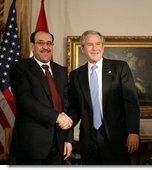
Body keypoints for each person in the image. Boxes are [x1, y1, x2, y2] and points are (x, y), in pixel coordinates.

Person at [68, 30, 140, 165]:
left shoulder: (120, 68)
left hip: (117, 139)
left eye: (98, 44)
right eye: (90, 44)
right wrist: (64, 122)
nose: (94, 48)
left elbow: (131, 103)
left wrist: (133, 132)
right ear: (82, 49)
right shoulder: (76, 75)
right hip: (89, 140)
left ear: (103, 47)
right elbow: (75, 108)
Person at [10, 30, 73, 165]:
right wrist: (56, 117)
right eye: (41, 43)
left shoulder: (61, 71)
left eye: (49, 43)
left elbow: (66, 106)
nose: (46, 47)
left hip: (58, 144)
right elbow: (25, 101)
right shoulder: (20, 68)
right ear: (32, 46)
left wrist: (68, 139)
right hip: (32, 145)